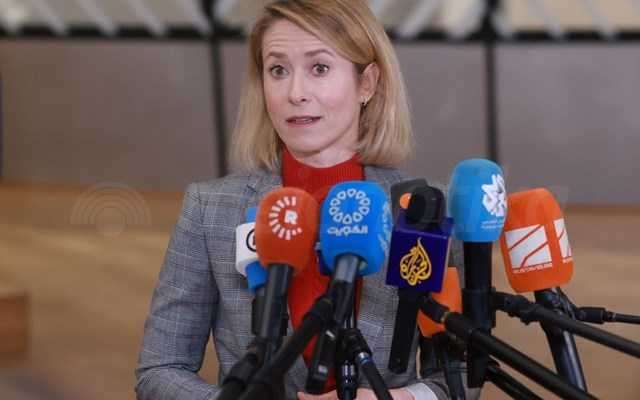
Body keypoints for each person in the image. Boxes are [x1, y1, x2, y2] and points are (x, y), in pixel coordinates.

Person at [136, 1, 473, 399]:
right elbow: (160, 371)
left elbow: (459, 376)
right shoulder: (209, 209)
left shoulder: (424, 210)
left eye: (319, 68)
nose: (295, 93)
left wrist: (399, 399)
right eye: (278, 70)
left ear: (367, 83)